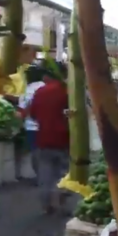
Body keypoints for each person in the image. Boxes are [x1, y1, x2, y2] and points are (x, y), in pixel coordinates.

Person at [29, 62, 70, 214]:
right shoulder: (68, 91)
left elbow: (33, 114)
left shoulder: (40, 91)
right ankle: (60, 201)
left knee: (45, 175)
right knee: (64, 173)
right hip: (64, 139)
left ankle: (47, 205)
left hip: (43, 139)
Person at [18, 64, 47, 178]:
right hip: (48, 125)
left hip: (31, 126)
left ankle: (40, 176)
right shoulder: (46, 87)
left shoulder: (26, 91)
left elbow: (21, 111)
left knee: (35, 152)